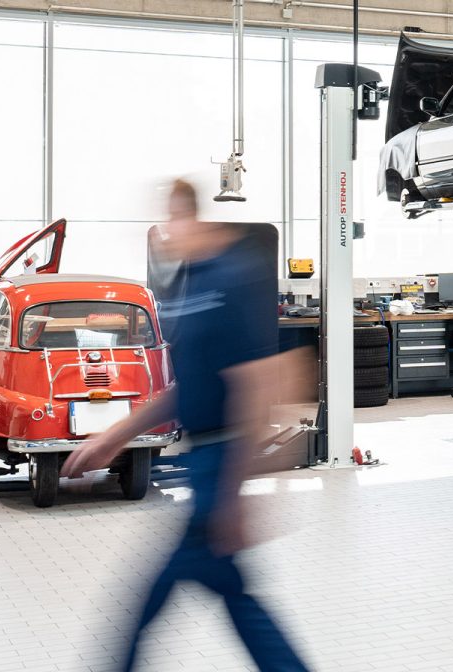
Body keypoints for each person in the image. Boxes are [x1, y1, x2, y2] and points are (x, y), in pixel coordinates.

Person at [62, 179, 308, 670]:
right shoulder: (192, 282)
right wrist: (114, 438)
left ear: (189, 217)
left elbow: (255, 384)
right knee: (234, 598)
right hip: (204, 464)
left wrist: (234, 494)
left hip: (222, 459)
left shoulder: (231, 279)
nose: (167, 235)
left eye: (172, 221)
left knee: (154, 598)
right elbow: (189, 387)